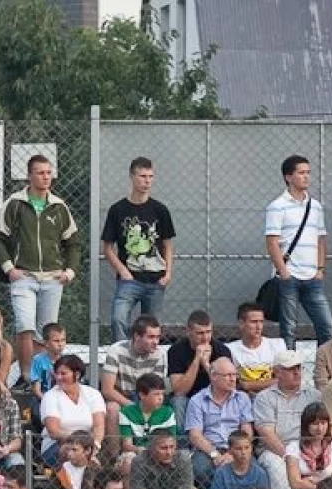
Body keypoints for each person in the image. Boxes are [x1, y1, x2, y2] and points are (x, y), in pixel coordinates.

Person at [0, 153, 80, 386]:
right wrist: (9, 267)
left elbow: (73, 243)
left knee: (46, 331)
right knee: (24, 325)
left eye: (49, 173)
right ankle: (26, 374)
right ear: (29, 176)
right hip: (24, 276)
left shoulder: (59, 206)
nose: (46, 177)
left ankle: (42, 377)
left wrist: (69, 271)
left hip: (52, 277)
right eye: (40, 173)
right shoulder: (15, 204)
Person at [265, 154, 332, 350]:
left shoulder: (315, 206)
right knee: (289, 330)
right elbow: (272, 242)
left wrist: (320, 269)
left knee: (327, 327)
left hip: (312, 276)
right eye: (301, 172)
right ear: (288, 177)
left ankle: (324, 371)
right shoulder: (277, 206)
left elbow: (321, 239)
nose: (306, 177)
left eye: (308, 173)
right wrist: (283, 272)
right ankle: (290, 373)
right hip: (289, 276)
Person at [103, 156, 176, 341]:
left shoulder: (160, 210)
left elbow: (167, 244)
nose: (147, 181)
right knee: (118, 319)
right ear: (132, 176)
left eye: (151, 176)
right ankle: (121, 356)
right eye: (143, 176)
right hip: (129, 278)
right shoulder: (117, 210)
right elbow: (108, 247)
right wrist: (122, 270)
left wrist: (167, 274)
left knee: (151, 329)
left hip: (155, 278)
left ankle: (147, 363)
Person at [253, 349, 322, 489]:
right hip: (275, 451)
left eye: (298, 368)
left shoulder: (314, 396)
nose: (297, 372)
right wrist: (290, 457)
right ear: (277, 372)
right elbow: (267, 434)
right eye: (291, 369)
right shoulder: (264, 398)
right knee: (277, 467)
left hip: (308, 449)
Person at [99, 314, 166, 451]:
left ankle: (148, 454)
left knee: (158, 407)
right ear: (137, 336)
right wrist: (131, 405)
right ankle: (114, 459)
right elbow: (107, 390)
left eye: (158, 337)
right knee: (112, 409)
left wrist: (142, 405)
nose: (156, 342)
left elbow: (156, 389)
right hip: (120, 397)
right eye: (151, 337)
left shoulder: (160, 354)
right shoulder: (116, 350)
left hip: (145, 397)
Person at [185, 358, 253, 486]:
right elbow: (195, 435)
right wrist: (214, 454)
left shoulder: (242, 398)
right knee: (200, 470)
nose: (233, 379)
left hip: (236, 447)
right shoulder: (197, 400)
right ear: (213, 376)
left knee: (255, 469)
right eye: (228, 375)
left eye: (234, 375)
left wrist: (232, 453)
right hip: (207, 450)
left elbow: (247, 430)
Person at [166, 310, 232, 425]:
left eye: (208, 332)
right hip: (187, 397)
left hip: (213, 396)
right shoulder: (176, 351)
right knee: (178, 401)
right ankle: (182, 442)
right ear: (188, 331)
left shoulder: (221, 350)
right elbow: (179, 391)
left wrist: (206, 364)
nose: (205, 338)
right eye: (200, 333)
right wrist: (197, 360)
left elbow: (226, 385)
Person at [39, 354, 105, 466]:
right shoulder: (50, 396)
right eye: (57, 374)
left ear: (77, 374)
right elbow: (53, 431)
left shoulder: (93, 394)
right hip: (57, 446)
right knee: (74, 452)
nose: (59, 377)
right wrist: (79, 444)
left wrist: (95, 446)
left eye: (63, 373)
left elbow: (99, 426)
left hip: (89, 447)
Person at [117, 372, 177, 474]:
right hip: (137, 452)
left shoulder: (167, 412)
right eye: (156, 394)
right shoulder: (127, 412)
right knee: (128, 460)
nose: (160, 398)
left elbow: (173, 440)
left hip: (162, 452)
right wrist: (143, 450)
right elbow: (127, 445)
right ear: (142, 395)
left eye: (162, 394)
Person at [228, 303, 286, 396]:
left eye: (261, 321)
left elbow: (284, 380)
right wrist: (270, 383)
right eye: (254, 322)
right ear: (241, 324)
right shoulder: (230, 349)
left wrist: (248, 385)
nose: (259, 327)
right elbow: (231, 384)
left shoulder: (277, 345)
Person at [29, 322, 67, 419]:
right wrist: (48, 401)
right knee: (38, 411)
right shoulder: (38, 360)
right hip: (43, 397)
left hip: (63, 397)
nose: (61, 344)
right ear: (46, 343)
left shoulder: (67, 360)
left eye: (63, 340)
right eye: (56, 341)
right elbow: (36, 390)